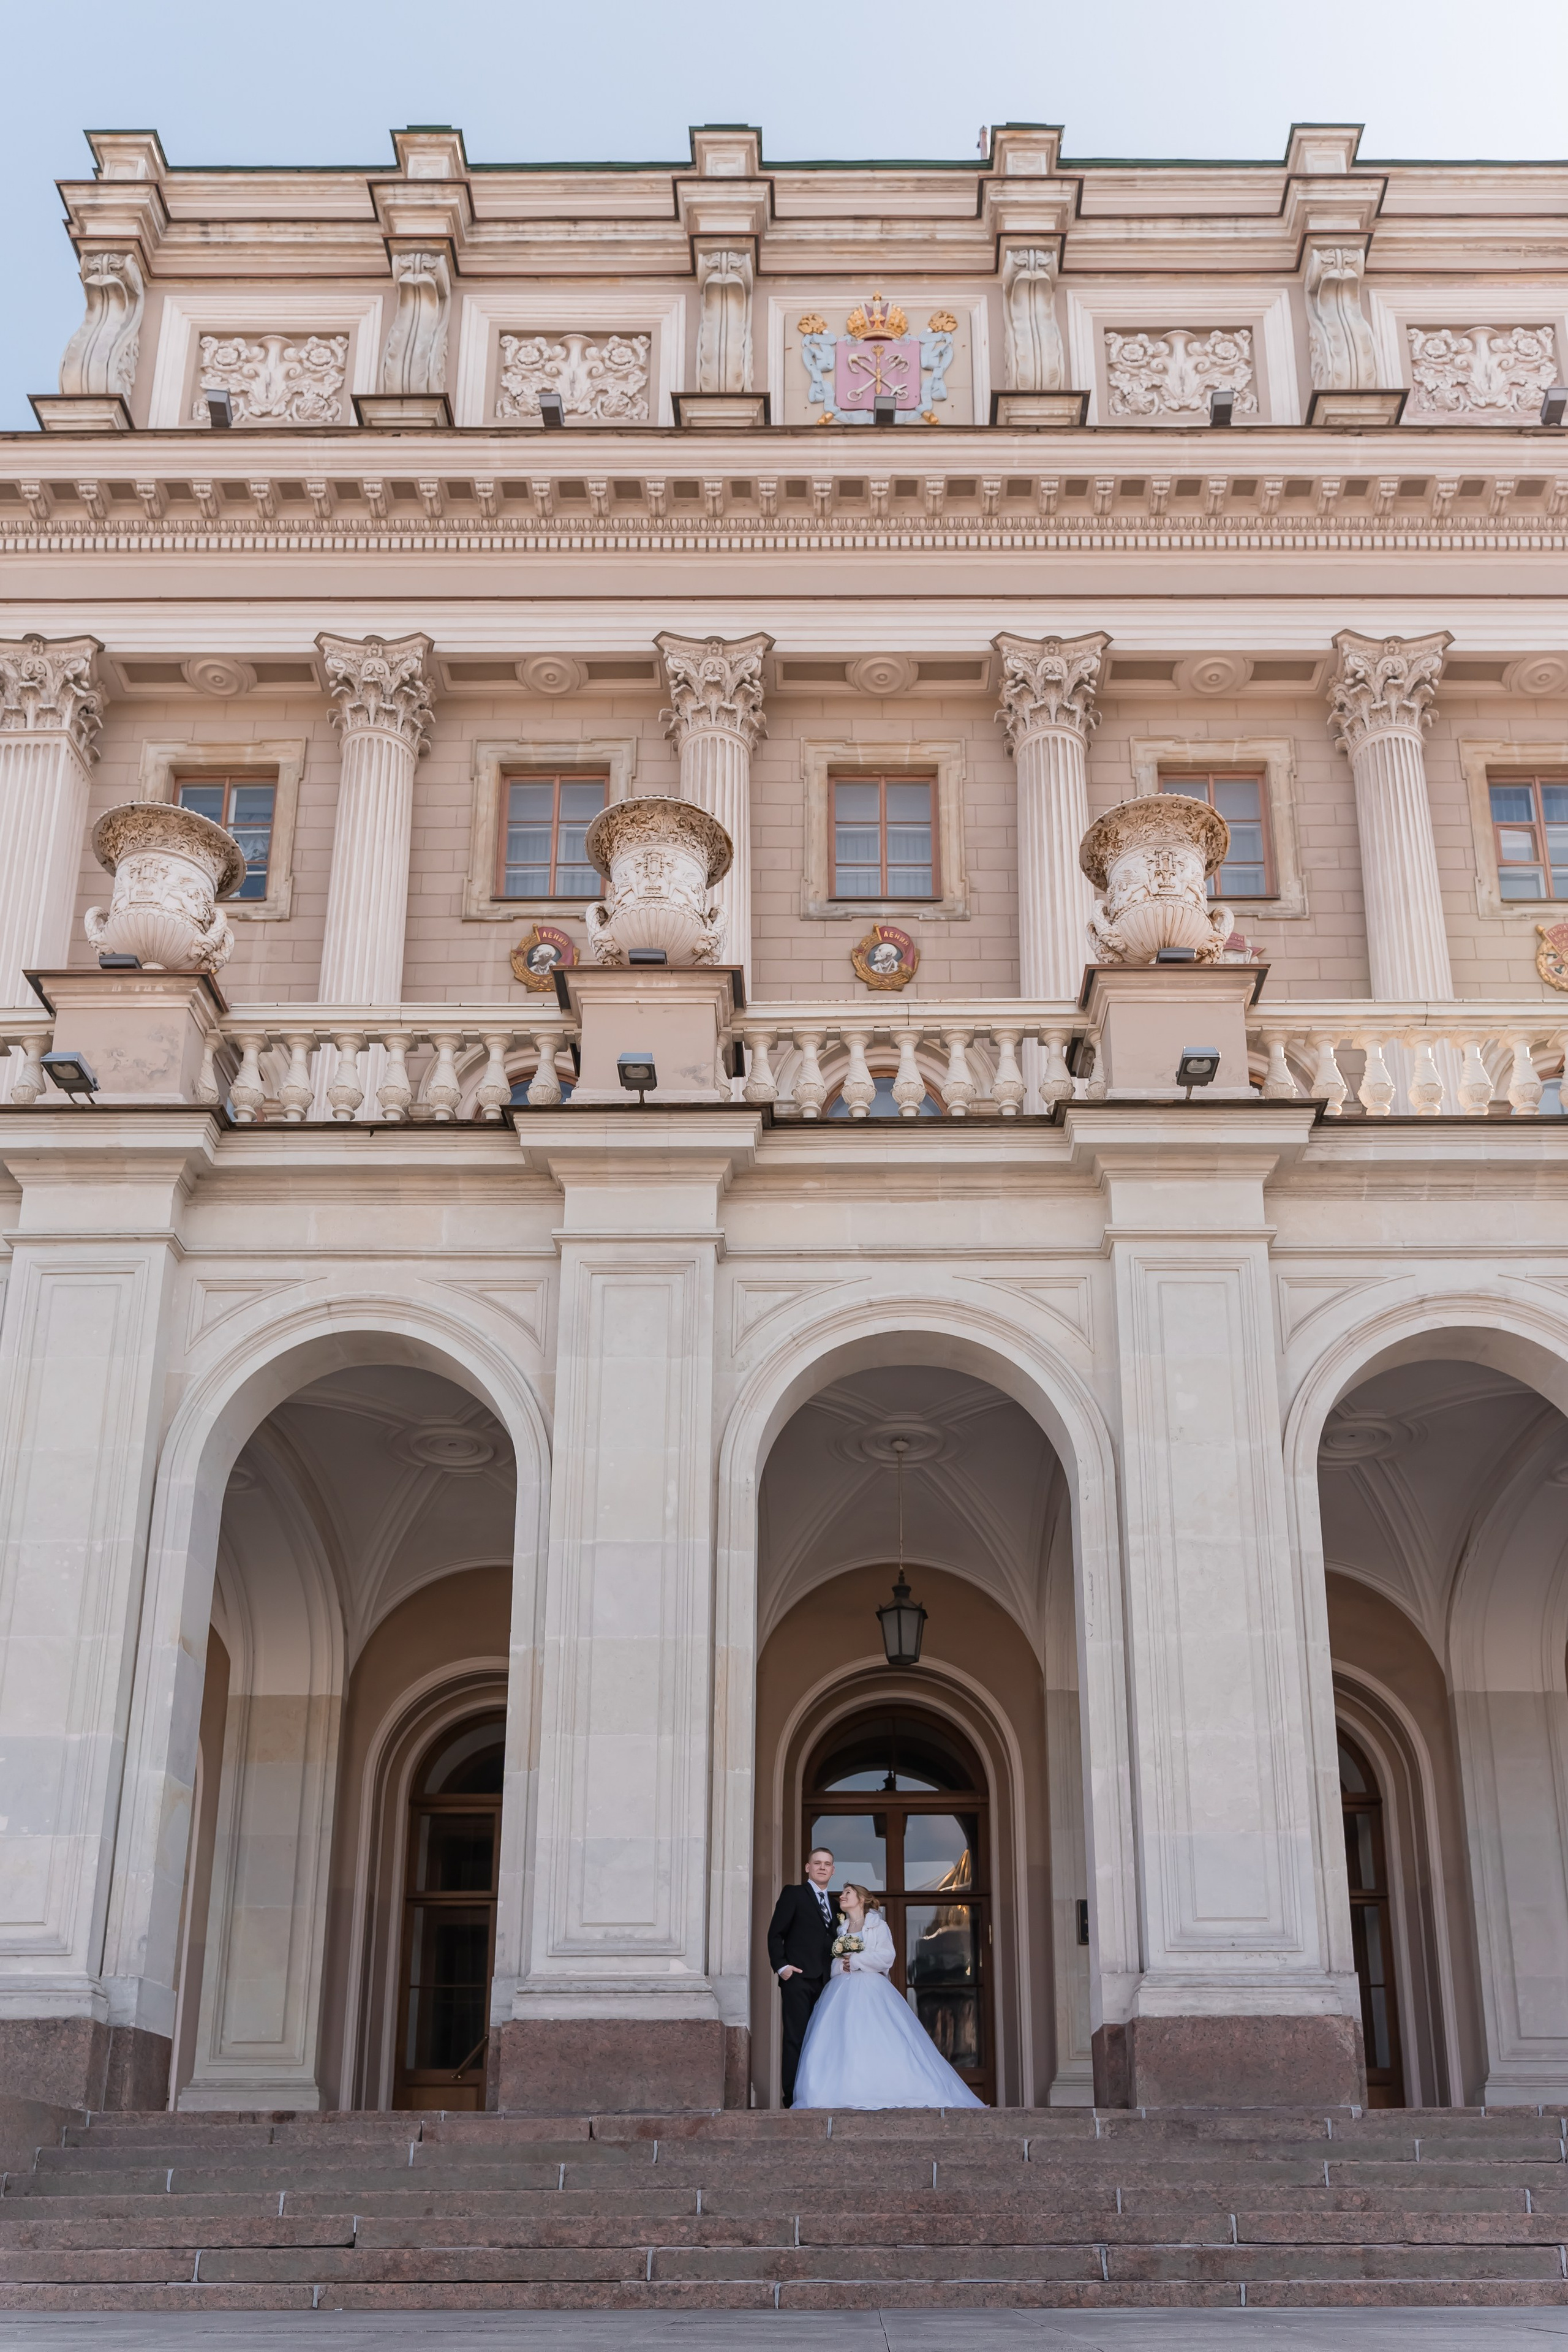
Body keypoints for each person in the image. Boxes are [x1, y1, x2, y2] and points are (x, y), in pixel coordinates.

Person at [791, 1882, 985, 2110]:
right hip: (841, 1990)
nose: (841, 1897)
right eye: (842, 1893)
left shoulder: (878, 1926)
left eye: (847, 1893)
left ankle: (889, 2088)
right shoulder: (841, 1929)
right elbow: (834, 1960)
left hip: (871, 1989)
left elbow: (886, 1956)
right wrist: (839, 1966)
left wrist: (856, 1961)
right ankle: (842, 2090)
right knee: (842, 2038)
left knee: (877, 2036)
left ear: (861, 1899)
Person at [766, 1845, 837, 2106]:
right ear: (808, 1867)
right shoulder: (794, 1894)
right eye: (817, 1863)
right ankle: (793, 2098)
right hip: (798, 1980)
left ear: (833, 1870)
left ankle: (820, 2095)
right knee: (796, 2038)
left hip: (829, 1983)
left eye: (827, 1864)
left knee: (825, 2039)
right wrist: (782, 1967)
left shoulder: (837, 1902)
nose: (821, 1867)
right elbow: (775, 1933)